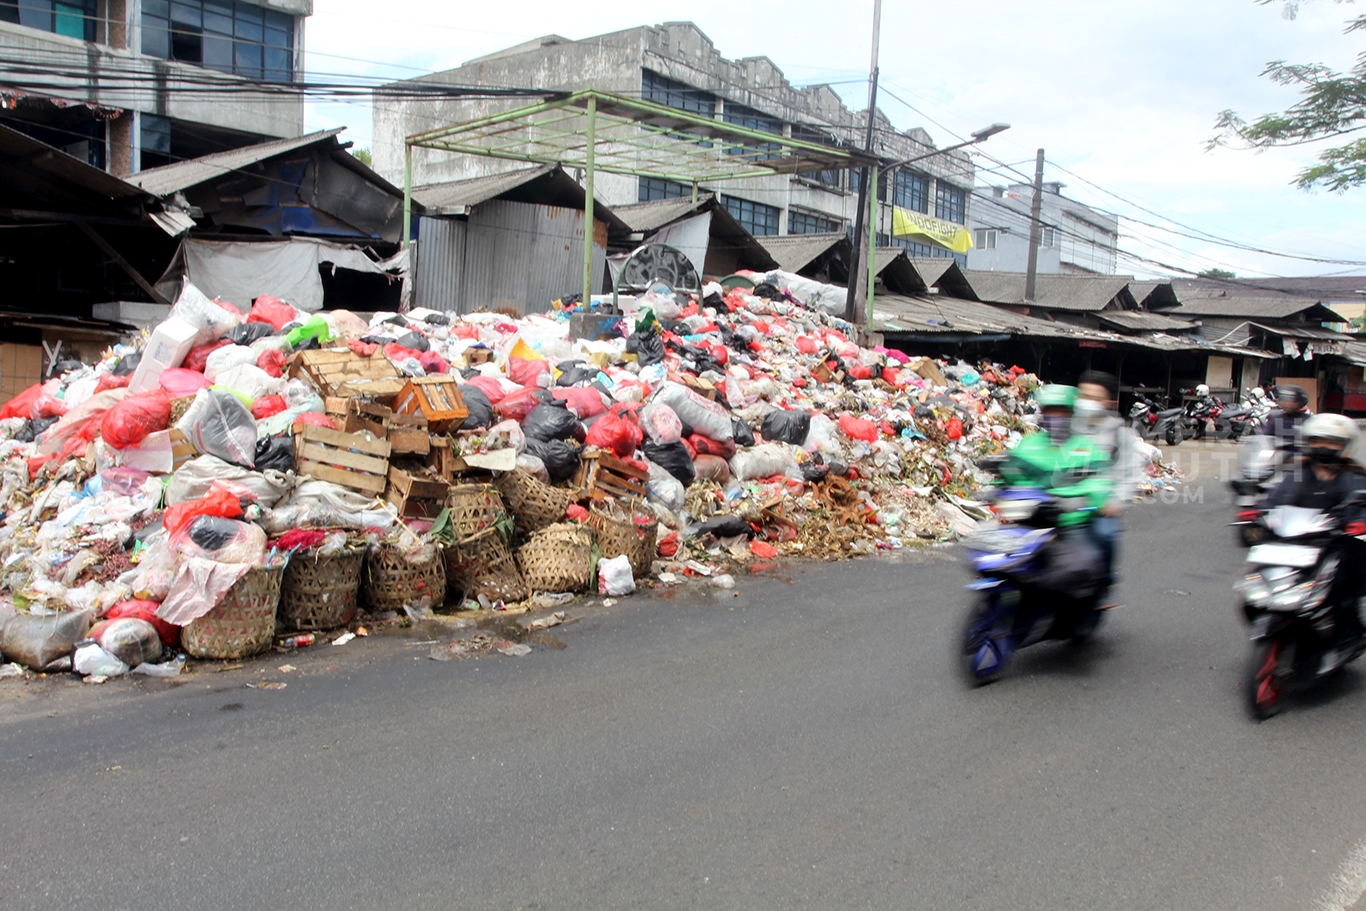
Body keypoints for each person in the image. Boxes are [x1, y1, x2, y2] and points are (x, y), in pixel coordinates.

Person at [1262, 412, 1366, 656]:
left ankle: (1348, 634)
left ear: (1344, 445)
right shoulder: (1299, 471)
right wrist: (1261, 514)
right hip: (1298, 541)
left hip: (1336, 544)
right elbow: (1275, 499)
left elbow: (1361, 509)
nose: (1323, 447)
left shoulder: (1354, 475)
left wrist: (1358, 524)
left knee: (1339, 583)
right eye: (1318, 440)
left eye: (1331, 442)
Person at [1073, 370, 1140, 601]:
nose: (1087, 403)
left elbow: (1129, 472)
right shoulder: (1066, 426)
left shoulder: (1119, 434)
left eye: (1095, 398)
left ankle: (1104, 581)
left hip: (1098, 506)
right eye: (1083, 396)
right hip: (1063, 502)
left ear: (1109, 402)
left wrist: (1115, 501)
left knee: (1104, 534)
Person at [1260, 384, 1311, 453]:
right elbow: (1265, 437)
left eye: (1291, 400)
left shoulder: (1307, 420)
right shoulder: (1275, 417)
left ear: (1299, 402)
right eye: (1285, 399)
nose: (1287, 403)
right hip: (1277, 457)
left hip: (1299, 458)